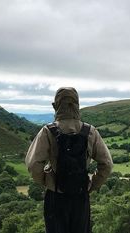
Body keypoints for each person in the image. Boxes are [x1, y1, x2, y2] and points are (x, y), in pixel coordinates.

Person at [25, 87, 113, 233]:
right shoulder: (90, 131)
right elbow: (107, 164)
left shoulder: (48, 131)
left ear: (56, 105)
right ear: (77, 105)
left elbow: (33, 164)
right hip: (80, 195)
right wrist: (92, 185)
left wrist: (48, 182)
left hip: (56, 196)